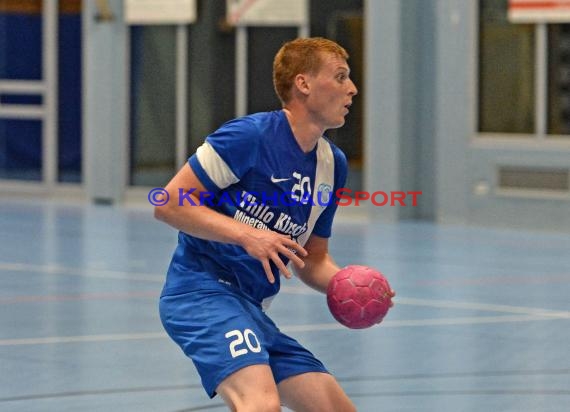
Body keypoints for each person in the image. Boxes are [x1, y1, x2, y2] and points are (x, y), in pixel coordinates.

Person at [156, 37, 393, 411]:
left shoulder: (332, 165)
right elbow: (169, 202)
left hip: (251, 308)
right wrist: (248, 235)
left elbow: (312, 259)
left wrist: (355, 287)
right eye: (341, 76)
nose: (352, 88)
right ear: (304, 84)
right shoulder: (248, 136)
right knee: (260, 403)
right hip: (199, 293)